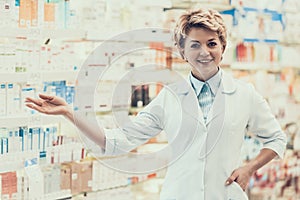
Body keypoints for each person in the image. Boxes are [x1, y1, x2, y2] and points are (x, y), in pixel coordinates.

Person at [25, 8, 286, 200]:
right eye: (195, 45)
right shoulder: (170, 97)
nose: (204, 52)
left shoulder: (244, 93)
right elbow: (116, 140)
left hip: (226, 194)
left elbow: (276, 139)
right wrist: (69, 113)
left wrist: (250, 168)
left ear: (223, 48)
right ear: (182, 51)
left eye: (212, 44)